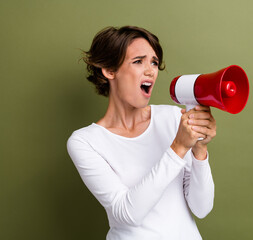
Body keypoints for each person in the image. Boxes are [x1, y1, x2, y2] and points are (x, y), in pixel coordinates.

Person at [67, 26, 216, 240]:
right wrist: (179, 147)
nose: (151, 71)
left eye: (154, 62)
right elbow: (127, 214)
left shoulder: (174, 118)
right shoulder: (86, 142)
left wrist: (199, 150)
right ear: (109, 70)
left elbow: (202, 208)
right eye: (138, 61)